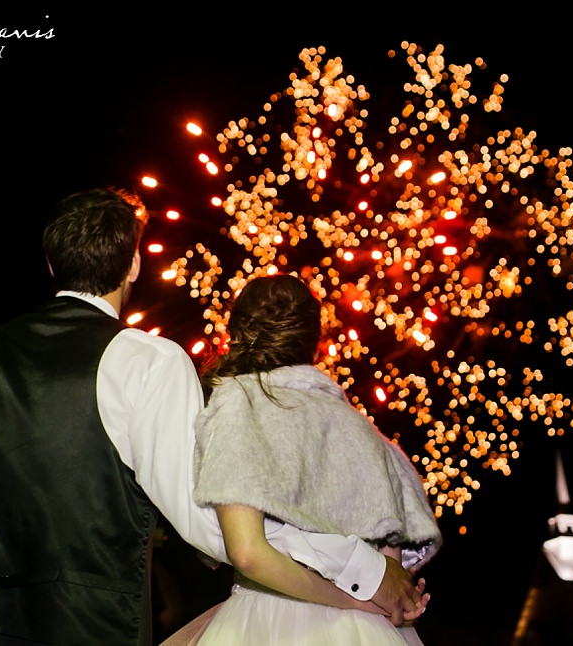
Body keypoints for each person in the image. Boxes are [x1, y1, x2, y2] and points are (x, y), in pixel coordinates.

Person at [0, 187, 429, 646]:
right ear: (133, 264)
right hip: (90, 628)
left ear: (52, 265)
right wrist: (362, 571)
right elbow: (212, 523)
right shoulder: (148, 361)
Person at [161, 274, 443, 646]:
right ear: (315, 339)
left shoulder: (239, 407)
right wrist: (384, 602)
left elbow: (246, 553)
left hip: (267, 621)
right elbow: (389, 562)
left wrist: (347, 600)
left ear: (238, 332)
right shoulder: (358, 428)